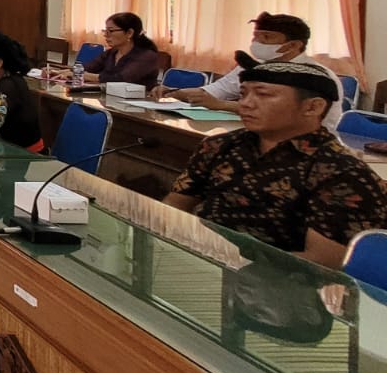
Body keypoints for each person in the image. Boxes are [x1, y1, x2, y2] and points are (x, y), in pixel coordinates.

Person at [165, 60, 387, 269]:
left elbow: (323, 263)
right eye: (243, 94)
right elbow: (174, 206)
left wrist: (234, 263)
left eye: (263, 95)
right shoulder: (219, 146)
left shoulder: (343, 172)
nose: (246, 103)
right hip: (200, 262)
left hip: (282, 280)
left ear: (313, 107)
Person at [151, 12, 345, 131]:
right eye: (255, 37)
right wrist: (173, 92)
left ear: (294, 45)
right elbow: (214, 91)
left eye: (266, 38)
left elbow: (282, 113)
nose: (257, 43)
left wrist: (221, 105)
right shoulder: (254, 65)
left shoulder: (316, 76)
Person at [84, 12, 164, 87]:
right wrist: (78, 73)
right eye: (105, 31)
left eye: (111, 31)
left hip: (139, 97)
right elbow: (85, 68)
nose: (106, 35)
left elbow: (121, 80)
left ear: (129, 33)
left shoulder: (147, 56)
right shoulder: (111, 53)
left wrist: (86, 76)